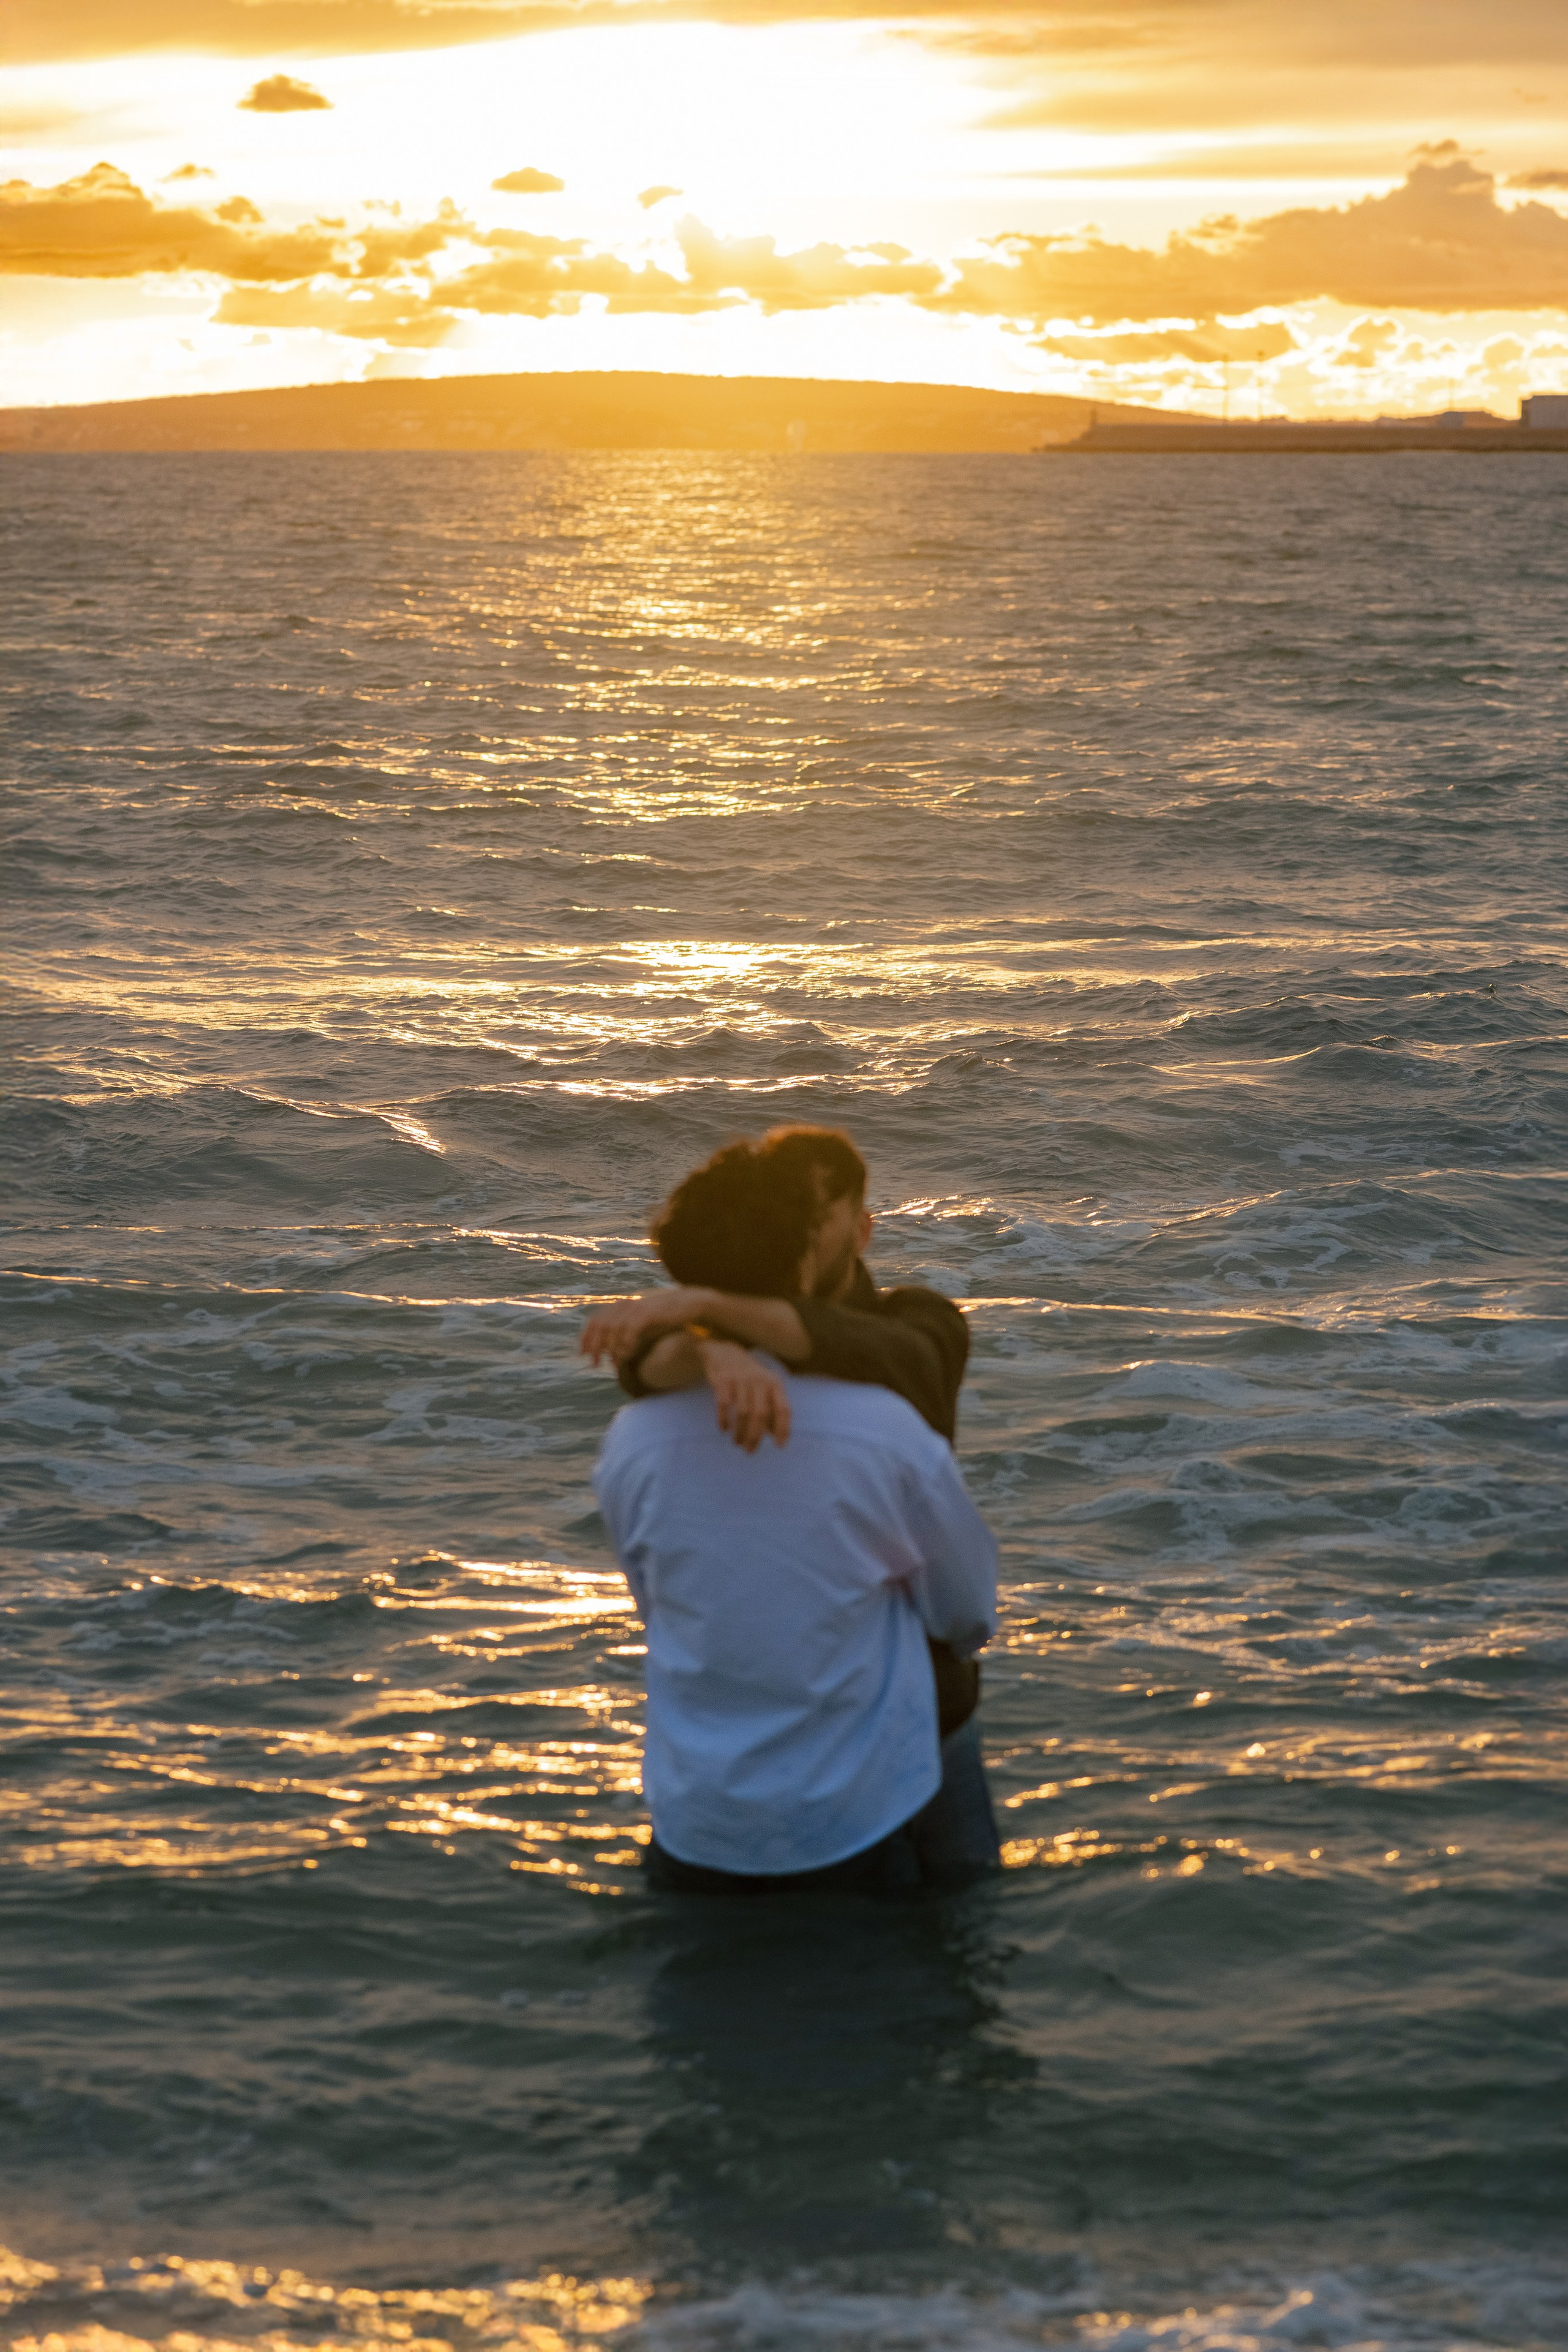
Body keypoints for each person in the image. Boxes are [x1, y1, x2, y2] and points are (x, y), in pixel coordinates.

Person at [590, 1137, 1000, 1893]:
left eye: (823, 1209)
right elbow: (967, 1607)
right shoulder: (874, 1426)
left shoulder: (916, 1329)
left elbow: (649, 1592)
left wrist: (705, 1319)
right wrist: (711, 1345)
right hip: (868, 1759)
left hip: (751, 1771)